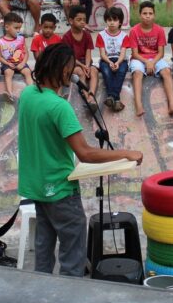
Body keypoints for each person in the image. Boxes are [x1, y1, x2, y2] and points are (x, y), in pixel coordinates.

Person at [17, 43, 143, 276]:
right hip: (61, 190)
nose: (74, 73)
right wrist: (125, 153)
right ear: (63, 71)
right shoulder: (59, 107)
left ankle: (39, 292)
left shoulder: (27, 94)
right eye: (71, 68)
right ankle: (69, 299)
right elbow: (85, 152)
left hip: (38, 187)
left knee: (44, 247)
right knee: (73, 256)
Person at [127, 1, 173, 118]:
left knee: (166, 72)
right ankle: (138, 105)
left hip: (155, 58)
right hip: (139, 58)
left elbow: (161, 53)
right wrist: (147, 62)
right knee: (137, 73)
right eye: (145, 13)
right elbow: (134, 53)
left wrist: (152, 62)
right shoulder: (134, 31)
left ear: (154, 15)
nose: (148, 16)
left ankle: (172, 105)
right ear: (140, 15)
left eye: (150, 13)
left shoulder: (159, 30)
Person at [96, 7, 131, 112]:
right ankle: (116, 100)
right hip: (106, 60)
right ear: (106, 20)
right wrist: (110, 62)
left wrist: (118, 62)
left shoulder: (124, 36)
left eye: (115, 20)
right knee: (106, 72)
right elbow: (102, 54)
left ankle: (111, 96)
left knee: (121, 72)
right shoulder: (101, 35)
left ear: (120, 21)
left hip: (121, 60)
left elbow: (123, 53)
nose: (112, 23)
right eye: (109, 20)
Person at [64, 5, 98, 102]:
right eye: (79, 20)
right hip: (72, 63)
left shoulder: (87, 35)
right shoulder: (67, 37)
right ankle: (85, 93)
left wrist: (87, 65)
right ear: (71, 21)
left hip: (85, 62)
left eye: (84, 19)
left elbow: (88, 52)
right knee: (79, 71)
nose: (82, 22)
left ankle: (91, 94)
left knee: (94, 70)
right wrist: (83, 66)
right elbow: (70, 57)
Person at [0, 11, 33, 100]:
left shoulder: (21, 39)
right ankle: (10, 94)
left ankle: (32, 92)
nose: (18, 30)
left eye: (19, 28)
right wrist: (8, 64)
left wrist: (23, 63)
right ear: (7, 27)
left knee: (28, 72)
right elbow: (0, 57)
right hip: (8, 64)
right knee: (8, 73)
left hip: (21, 62)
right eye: (16, 28)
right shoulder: (1, 41)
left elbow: (26, 53)